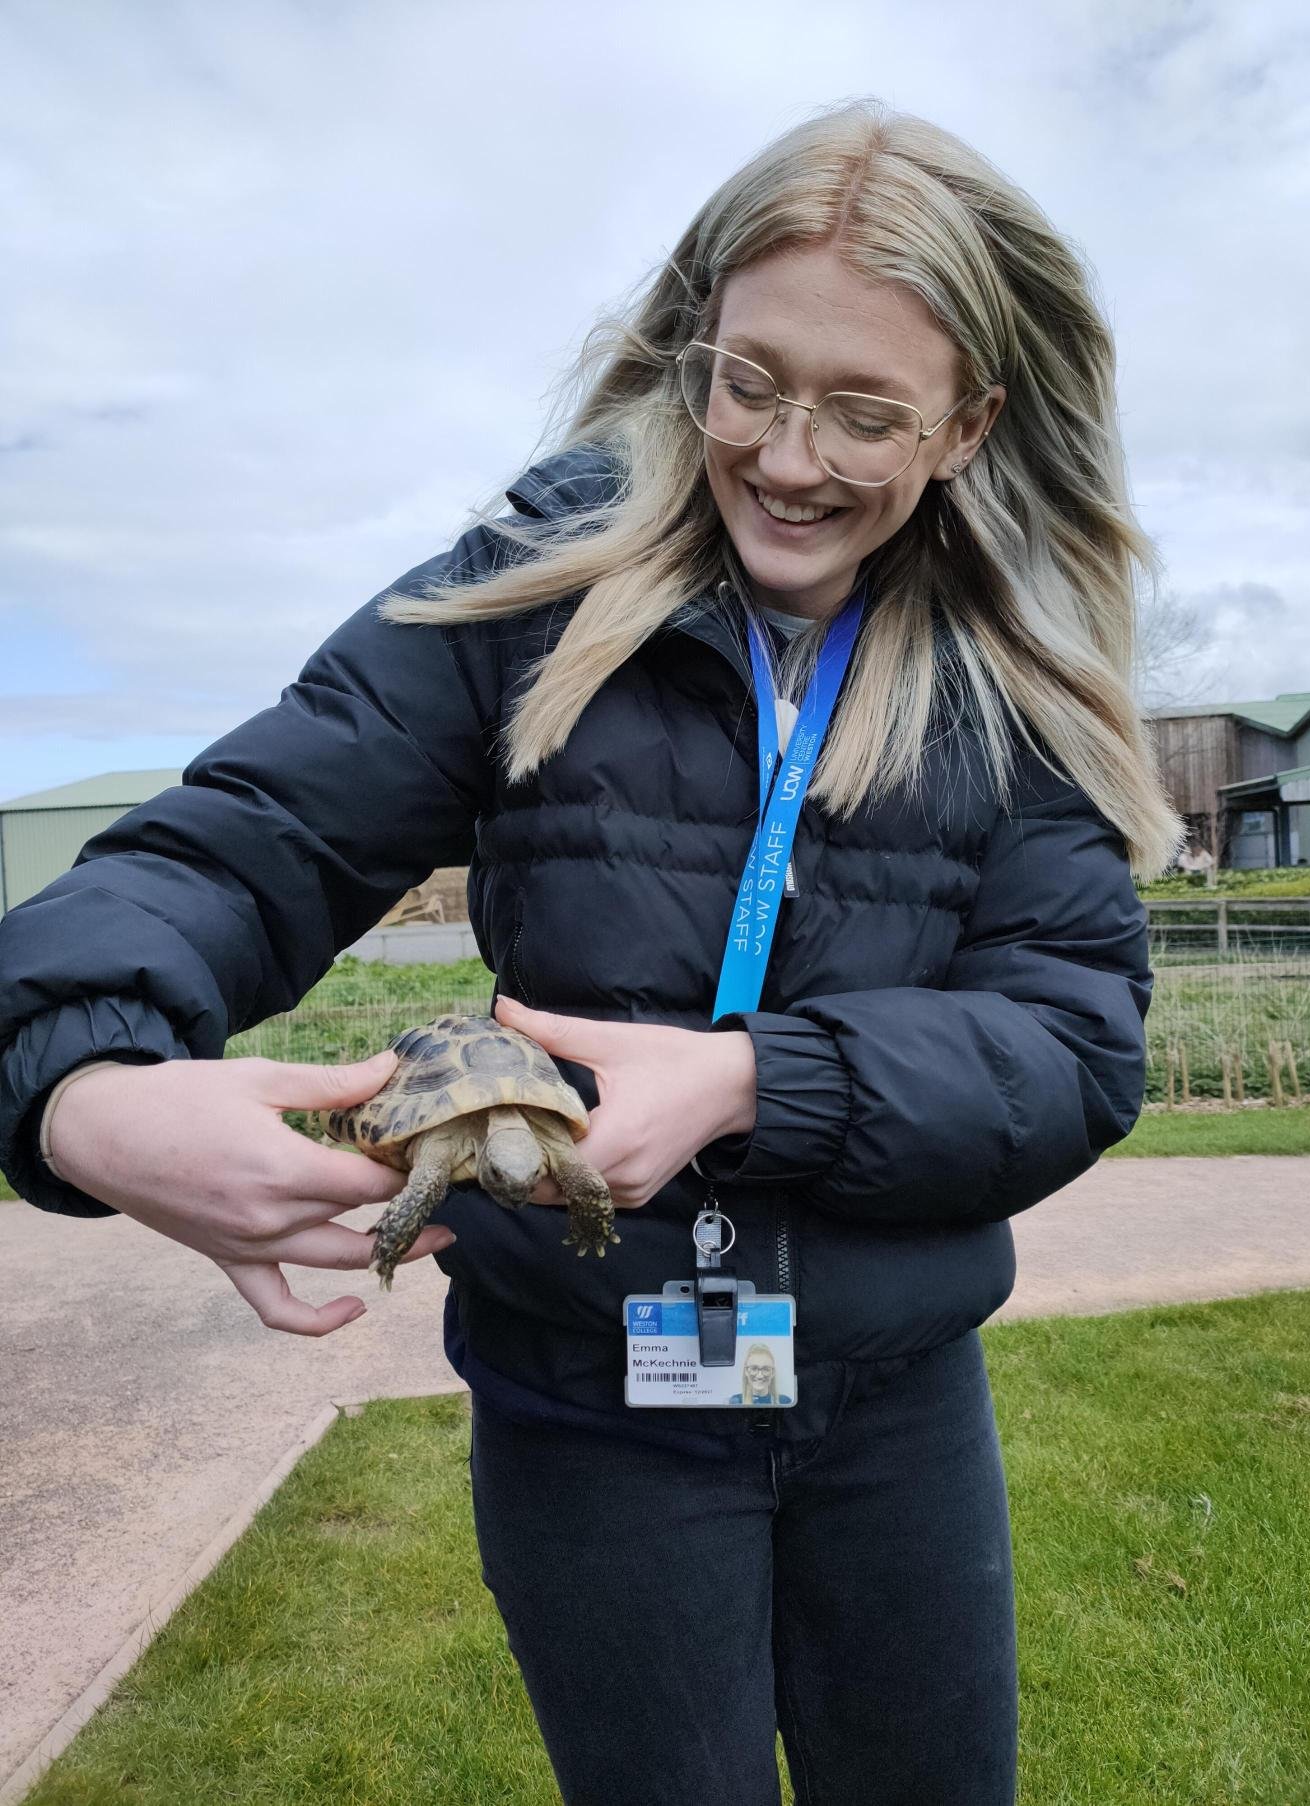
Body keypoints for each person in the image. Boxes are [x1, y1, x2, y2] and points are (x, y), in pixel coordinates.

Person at [0, 99, 1180, 1806]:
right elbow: (249, 836)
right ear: (694, 339)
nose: (789, 458)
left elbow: (1074, 1050)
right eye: (750, 382)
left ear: (968, 424)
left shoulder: (1011, 674)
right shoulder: (537, 581)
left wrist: (755, 1079)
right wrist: (80, 1085)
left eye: (866, 413)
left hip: (897, 1409)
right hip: (590, 1415)